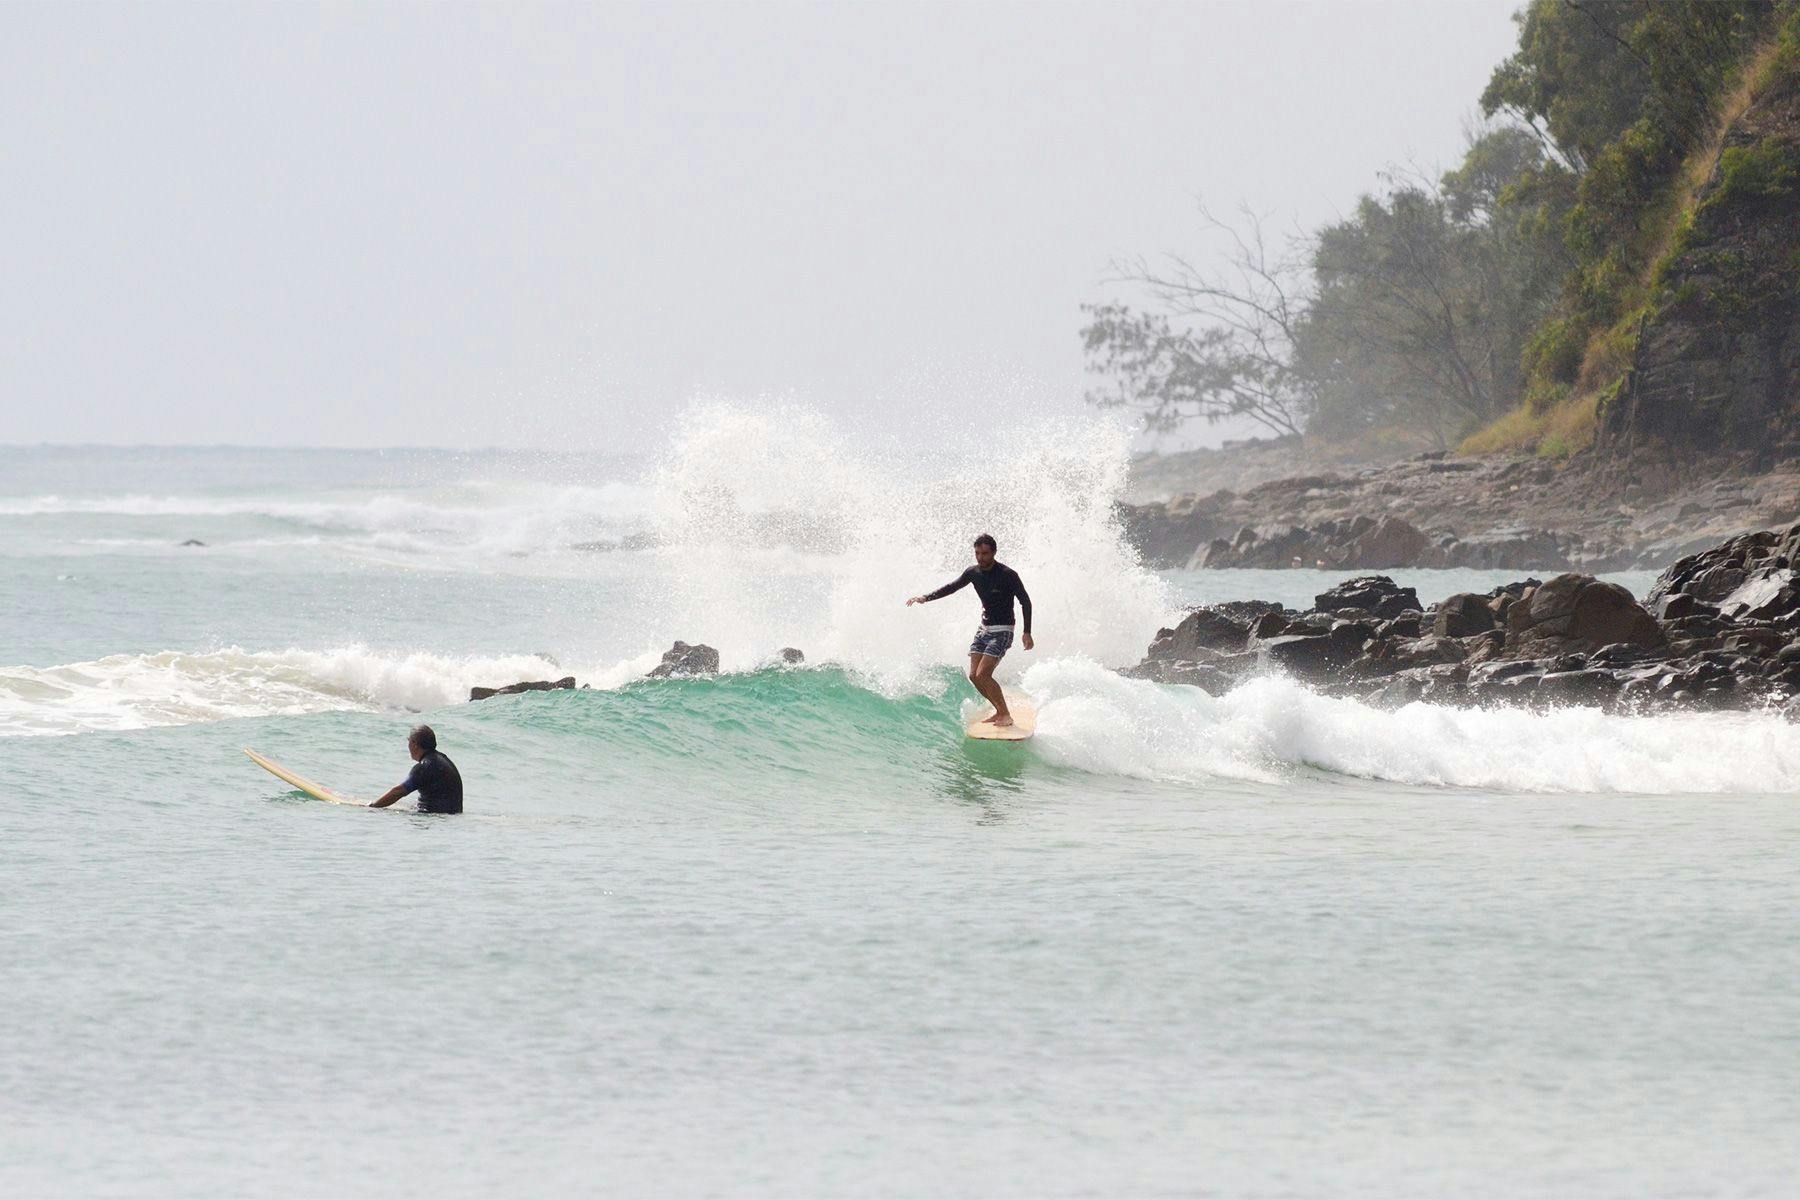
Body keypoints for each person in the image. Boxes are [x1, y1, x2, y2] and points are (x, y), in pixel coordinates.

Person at [906, 533, 1034, 726]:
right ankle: (999, 711)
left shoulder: (1008, 575)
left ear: (994, 553)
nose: (981, 557)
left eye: (985, 553)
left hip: (1003, 631)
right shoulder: (973, 573)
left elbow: (1025, 602)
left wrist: (1027, 632)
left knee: (983, 675)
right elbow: (952, 587)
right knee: (974, 676)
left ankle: (1005, 714)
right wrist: (925, 597)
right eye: (977, 553)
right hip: (984, 630)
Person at [370, 724, 464, 813]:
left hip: (434, 814)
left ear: (414, 744)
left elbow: (399, 791)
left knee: (383, 808)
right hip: (452, 814)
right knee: (404, 805)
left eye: (409, 741)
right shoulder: (442, 759)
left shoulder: (425, 766)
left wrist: (373, 806)